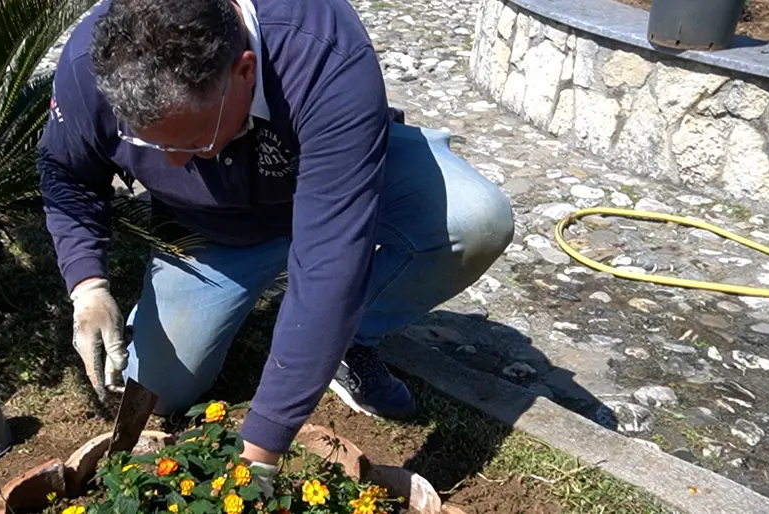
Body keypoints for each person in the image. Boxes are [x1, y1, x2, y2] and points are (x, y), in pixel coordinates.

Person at [38, 0, 514, 482]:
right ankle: (299, 327)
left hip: (339, 184)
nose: (178, 164)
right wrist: (88, 285)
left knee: (475, 219)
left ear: (244, 70)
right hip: (211, 231)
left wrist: (260, 456)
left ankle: (352, 336)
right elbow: (65, 173)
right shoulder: (94, 66)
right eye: (157, 146)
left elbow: (331, 260)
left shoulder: (322, 51)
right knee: (161, 389)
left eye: (195, 141)